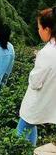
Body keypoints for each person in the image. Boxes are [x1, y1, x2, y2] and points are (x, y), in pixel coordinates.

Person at [17, 7, 56, 146]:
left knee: (21, 133)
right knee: (30, 125)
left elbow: (35, 82)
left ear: (47, 29)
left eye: (39, 27)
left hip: (37, 101)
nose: (38, 30)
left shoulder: (47, 53)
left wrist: (37, 61)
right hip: (49, 100)